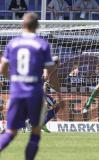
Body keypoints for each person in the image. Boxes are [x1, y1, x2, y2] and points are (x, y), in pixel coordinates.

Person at [0, 13, 62, 160]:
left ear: (23, 25)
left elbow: (2, 70)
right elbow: (47, 74)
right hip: (34, 93)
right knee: (35, 131)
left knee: (10, 132)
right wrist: (59, 93)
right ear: (37, 27)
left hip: (16, 92)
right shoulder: (42, 45)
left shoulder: (12, 43)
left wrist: (14, 79)